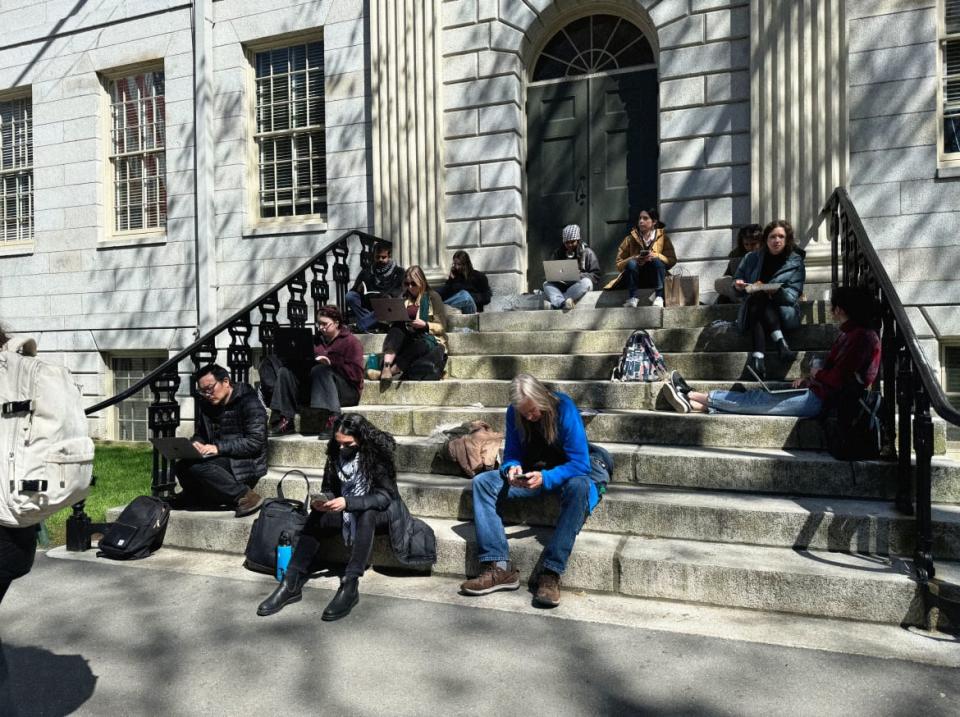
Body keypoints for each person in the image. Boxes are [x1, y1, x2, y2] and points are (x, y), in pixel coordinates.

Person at [256, 413, 436, 620]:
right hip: (347, 510)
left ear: (362, 439)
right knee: (317, 515)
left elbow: (385, 497)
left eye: (348, 444)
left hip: (383, 512)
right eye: (338, 443)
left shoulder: (377, 455)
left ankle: (350, 583)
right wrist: (325, 501)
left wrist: (349, 502)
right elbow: (329, 488)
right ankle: (291, 581)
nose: (342, 448)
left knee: (366, 513)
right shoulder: (335, 453)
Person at [459, 374, 600, 608]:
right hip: (530, 477)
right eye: (525, 414)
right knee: (483, 482)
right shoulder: (514, 413)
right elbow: (512, 453)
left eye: (534, 411)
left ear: (543, 398)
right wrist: (511, 467)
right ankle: (499, 567)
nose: (530, 417)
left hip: (563, 478)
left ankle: (551, 573)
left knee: (581, 486)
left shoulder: (564, 407)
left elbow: (581, 464)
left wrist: (546, 478)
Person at [663, 286, 880, 417]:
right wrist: (809, 380)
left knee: (758, 401)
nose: (832, 311)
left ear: (840, 309)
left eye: (833, 307)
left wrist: (816, 375)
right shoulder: (850, 334)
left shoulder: (861, 337)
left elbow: (839, 379)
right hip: (819, 394)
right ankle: (692, 405)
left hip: (824, 401)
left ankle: (690, 393)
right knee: (760, 399)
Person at [171, 364, 267, 516]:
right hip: (220, 456)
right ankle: (193, 497)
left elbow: (255, 442)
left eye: (209, 388)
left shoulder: (249, 402)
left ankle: (246, 496)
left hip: (245, 460)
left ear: (226, 382)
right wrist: (196, 444)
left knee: (199, 467)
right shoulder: (207, 405)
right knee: (181, 465)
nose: (207, 394)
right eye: (202, 391)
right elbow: (201, 434)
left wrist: (218, 448)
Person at [266, 306, 364, 439]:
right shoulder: (315, 341)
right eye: (319, 324)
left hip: (346, 390)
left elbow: (356, 375)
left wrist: (331, 363)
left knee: (321, 370)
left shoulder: (351, 342)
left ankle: (334, 419)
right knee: (285, 371)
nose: (321, 328)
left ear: (336, 323)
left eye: (325, 324)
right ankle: (285, 420)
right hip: (317, 387)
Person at [731, 219, 805, 379]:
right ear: (766, 239)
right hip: (755, 304)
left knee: (759, 297)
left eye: (781, 236)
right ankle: (780, 344)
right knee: (757, 296)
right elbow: (737, 281)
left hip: (784, 309)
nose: (776, 240)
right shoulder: (751, 258)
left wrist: (775, 291)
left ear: (787, 239)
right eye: (772, 237)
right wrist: (737, 285)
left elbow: (793, 295)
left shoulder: (795, 261)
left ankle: (758, 355)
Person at [368, 265, 447, 385]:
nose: (410, 287)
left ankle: (392, 371)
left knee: (421, 344)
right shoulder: (405, 298)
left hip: (429, 339)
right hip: (409, 335)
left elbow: (442, 326)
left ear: (422, 282)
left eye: (413, 284)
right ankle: (386, 366)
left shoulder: (433, 297)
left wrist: (425, 325)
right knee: (396, 328)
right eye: (407, 283)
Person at [606, 208, 677, 308]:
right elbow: (619, 264)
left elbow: (672, 260)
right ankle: (632, 298)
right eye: (640, 218)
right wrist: (634, 258)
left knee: (657, 261)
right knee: (631, 263)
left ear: (654, 222)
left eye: (645, 218)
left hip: (654, 278)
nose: (641, 221)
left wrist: (656, 255)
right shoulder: (629, 239)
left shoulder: (663, 238)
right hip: (636, 278)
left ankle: (659, 297)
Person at [344, 241, 405, 333]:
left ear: (389, 256)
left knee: (386, 305)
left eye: (383, 257)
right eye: (377, 257)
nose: (380, 259)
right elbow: (354, 291)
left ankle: (360, 326)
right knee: (350, 296)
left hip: (387, 307)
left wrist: (389, 295)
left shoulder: (399, 272)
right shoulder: (366, 272)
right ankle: (375, 324)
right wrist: (358, 289)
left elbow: (402, 290)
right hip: (369, 306)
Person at [542, 224, 601, 310]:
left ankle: (557, 303)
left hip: (578, 285)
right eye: (567, 243)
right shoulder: (558, 253)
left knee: (587, 283)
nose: (570, 245)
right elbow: (551, 272)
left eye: (573, 242)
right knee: (546, 284)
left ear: (578, 240)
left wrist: (579, 275)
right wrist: (554, 276)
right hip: (562, 286)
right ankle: (563, 304)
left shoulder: (587, 252)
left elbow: (596, 275)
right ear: (563, 242)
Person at [715, 224, 762, 304]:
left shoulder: (766, 255)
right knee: (721, 283)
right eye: (746, 244)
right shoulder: (736, 257)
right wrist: (737, 282)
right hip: (739, 289)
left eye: (753, 244)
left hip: (759, 291)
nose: (750, 248)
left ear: (761, 242)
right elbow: (728, 277)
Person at [437, 250, 492, 314]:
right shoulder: (455, 277)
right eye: (454, 264)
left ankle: (440, 308)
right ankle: (438, 307)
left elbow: (487, 298)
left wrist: (470, 296)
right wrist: (451, 281)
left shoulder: (479, 276)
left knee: (465, 295)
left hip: (473, 309)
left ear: (466, 264)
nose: (456, 267)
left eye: (459, 264)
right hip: (458, 309)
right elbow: (446, 293)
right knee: (435, 294)